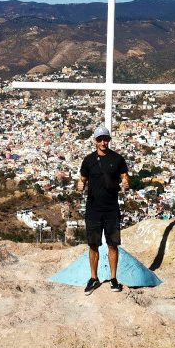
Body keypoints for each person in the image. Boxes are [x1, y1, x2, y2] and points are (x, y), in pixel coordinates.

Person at [77, 125, 130, 294]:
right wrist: (80, 185)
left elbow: (124, 175)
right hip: (93, 208)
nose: (103, 142)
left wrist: (126, 182)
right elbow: (83, 178)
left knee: (112, 244)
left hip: (111, 208)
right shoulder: (88, 160)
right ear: (95, 141)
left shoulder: (118, 159)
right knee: (93, 245)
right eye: (100, 139)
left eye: (105, 139)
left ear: (109, 140)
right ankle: (93, 278)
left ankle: (113, 278)